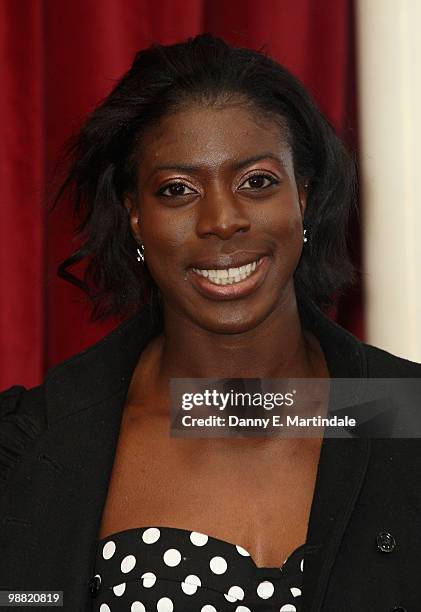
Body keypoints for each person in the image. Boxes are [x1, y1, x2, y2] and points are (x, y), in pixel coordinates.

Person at [1, 34, 420, 612]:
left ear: (304, 194)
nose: (222, 220)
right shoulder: (28, 447)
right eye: (178, 190)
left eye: (258, 181)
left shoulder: (399, 413)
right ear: (135, 217)